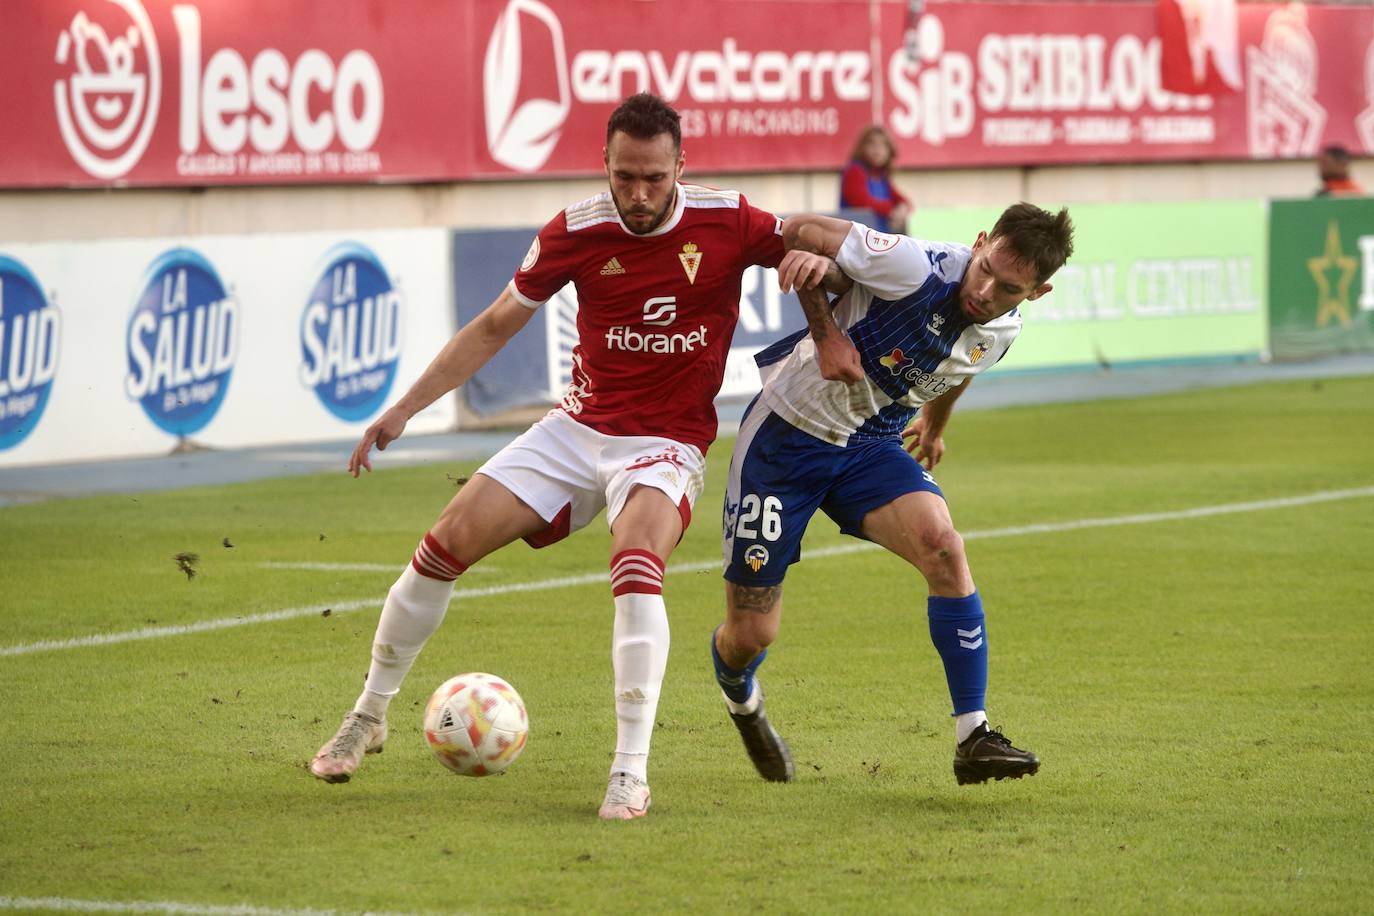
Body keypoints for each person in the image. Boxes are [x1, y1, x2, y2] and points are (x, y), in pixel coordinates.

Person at [309, 93, 787, 820]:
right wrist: (404, 408)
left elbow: (818, 245)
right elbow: (497, 324)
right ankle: (369, 715)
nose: (638, 194)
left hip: (663, 444)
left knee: (635, 564)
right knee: (442, 546)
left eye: (654, 178)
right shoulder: (576, 231)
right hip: (577, 430)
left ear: (681, 167)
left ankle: (629, 770)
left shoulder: (727, 220)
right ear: (605, 164)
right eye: (624, 175)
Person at [709, 203, 1074, 786]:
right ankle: (740, 697)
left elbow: (966, 361)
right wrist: (826, 334)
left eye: (1007, 288)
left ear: (1038, 291)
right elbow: (799, 231)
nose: (984, 290)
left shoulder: (1003, 326)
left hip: (870, 444)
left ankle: (973, 737)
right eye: (983, 268)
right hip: (786, 439)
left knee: (944, 548)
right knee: (752, 634)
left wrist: (935, 423)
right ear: (979, 241)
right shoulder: (914, 267)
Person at [839, 125, 913, 234]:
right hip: (857, 238)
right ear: (862, 147)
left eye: (883, 145)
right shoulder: (855, 170)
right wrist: (891, 210)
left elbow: (904, 201)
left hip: (878, 239)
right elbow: (862, 202)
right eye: (872, 144)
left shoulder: (881, 176)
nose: (878, 149)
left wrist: (902, 208)